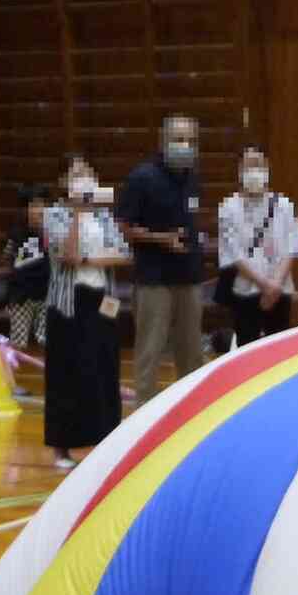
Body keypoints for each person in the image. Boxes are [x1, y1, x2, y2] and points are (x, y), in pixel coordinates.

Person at [43, 157, 128, 471]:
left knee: (105, 367)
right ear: (65, 182)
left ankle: (107, 441)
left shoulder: (105, 216)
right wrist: (77, 213)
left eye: (88, 173)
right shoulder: (55, 215)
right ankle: (62, 447)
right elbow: (67, 254)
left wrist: (89, 259)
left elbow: (122, 254)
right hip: (68, 303)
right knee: (67, 372)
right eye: (76, 174)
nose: (83, 179)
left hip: (103, 299)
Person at [116, 114, 205, 403]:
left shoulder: (192, 178)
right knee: (150, 353)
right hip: (154, 280)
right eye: (179, 140)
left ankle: (193, 413)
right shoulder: (142, 178)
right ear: (163, 141)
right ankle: (143, 417)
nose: (186, 146)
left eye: (191, 141)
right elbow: (124, 227)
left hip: (189, 278)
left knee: (192, 353)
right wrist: (161, 239)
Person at [215, 143, 298, 348]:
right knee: (247, 352)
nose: (254, 171)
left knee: (279, 352)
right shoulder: (228, 208)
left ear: (267, 169)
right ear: (239, 171)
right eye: (248, 166)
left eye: (258, 165)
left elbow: (292, 247)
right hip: (246, 292)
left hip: (280, 290)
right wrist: (264, 284)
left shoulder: (284, 205)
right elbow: (234, 254)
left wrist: (274, 285)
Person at [2, 182, 51, 357]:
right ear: (25, 209)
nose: (37, 210)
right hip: (21, 294)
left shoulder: (55, 231)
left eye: (41, 205)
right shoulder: (16, 233)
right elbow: (10, 260)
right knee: (18, 343)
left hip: (46, 292)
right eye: (33, 205)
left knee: (48, 341)